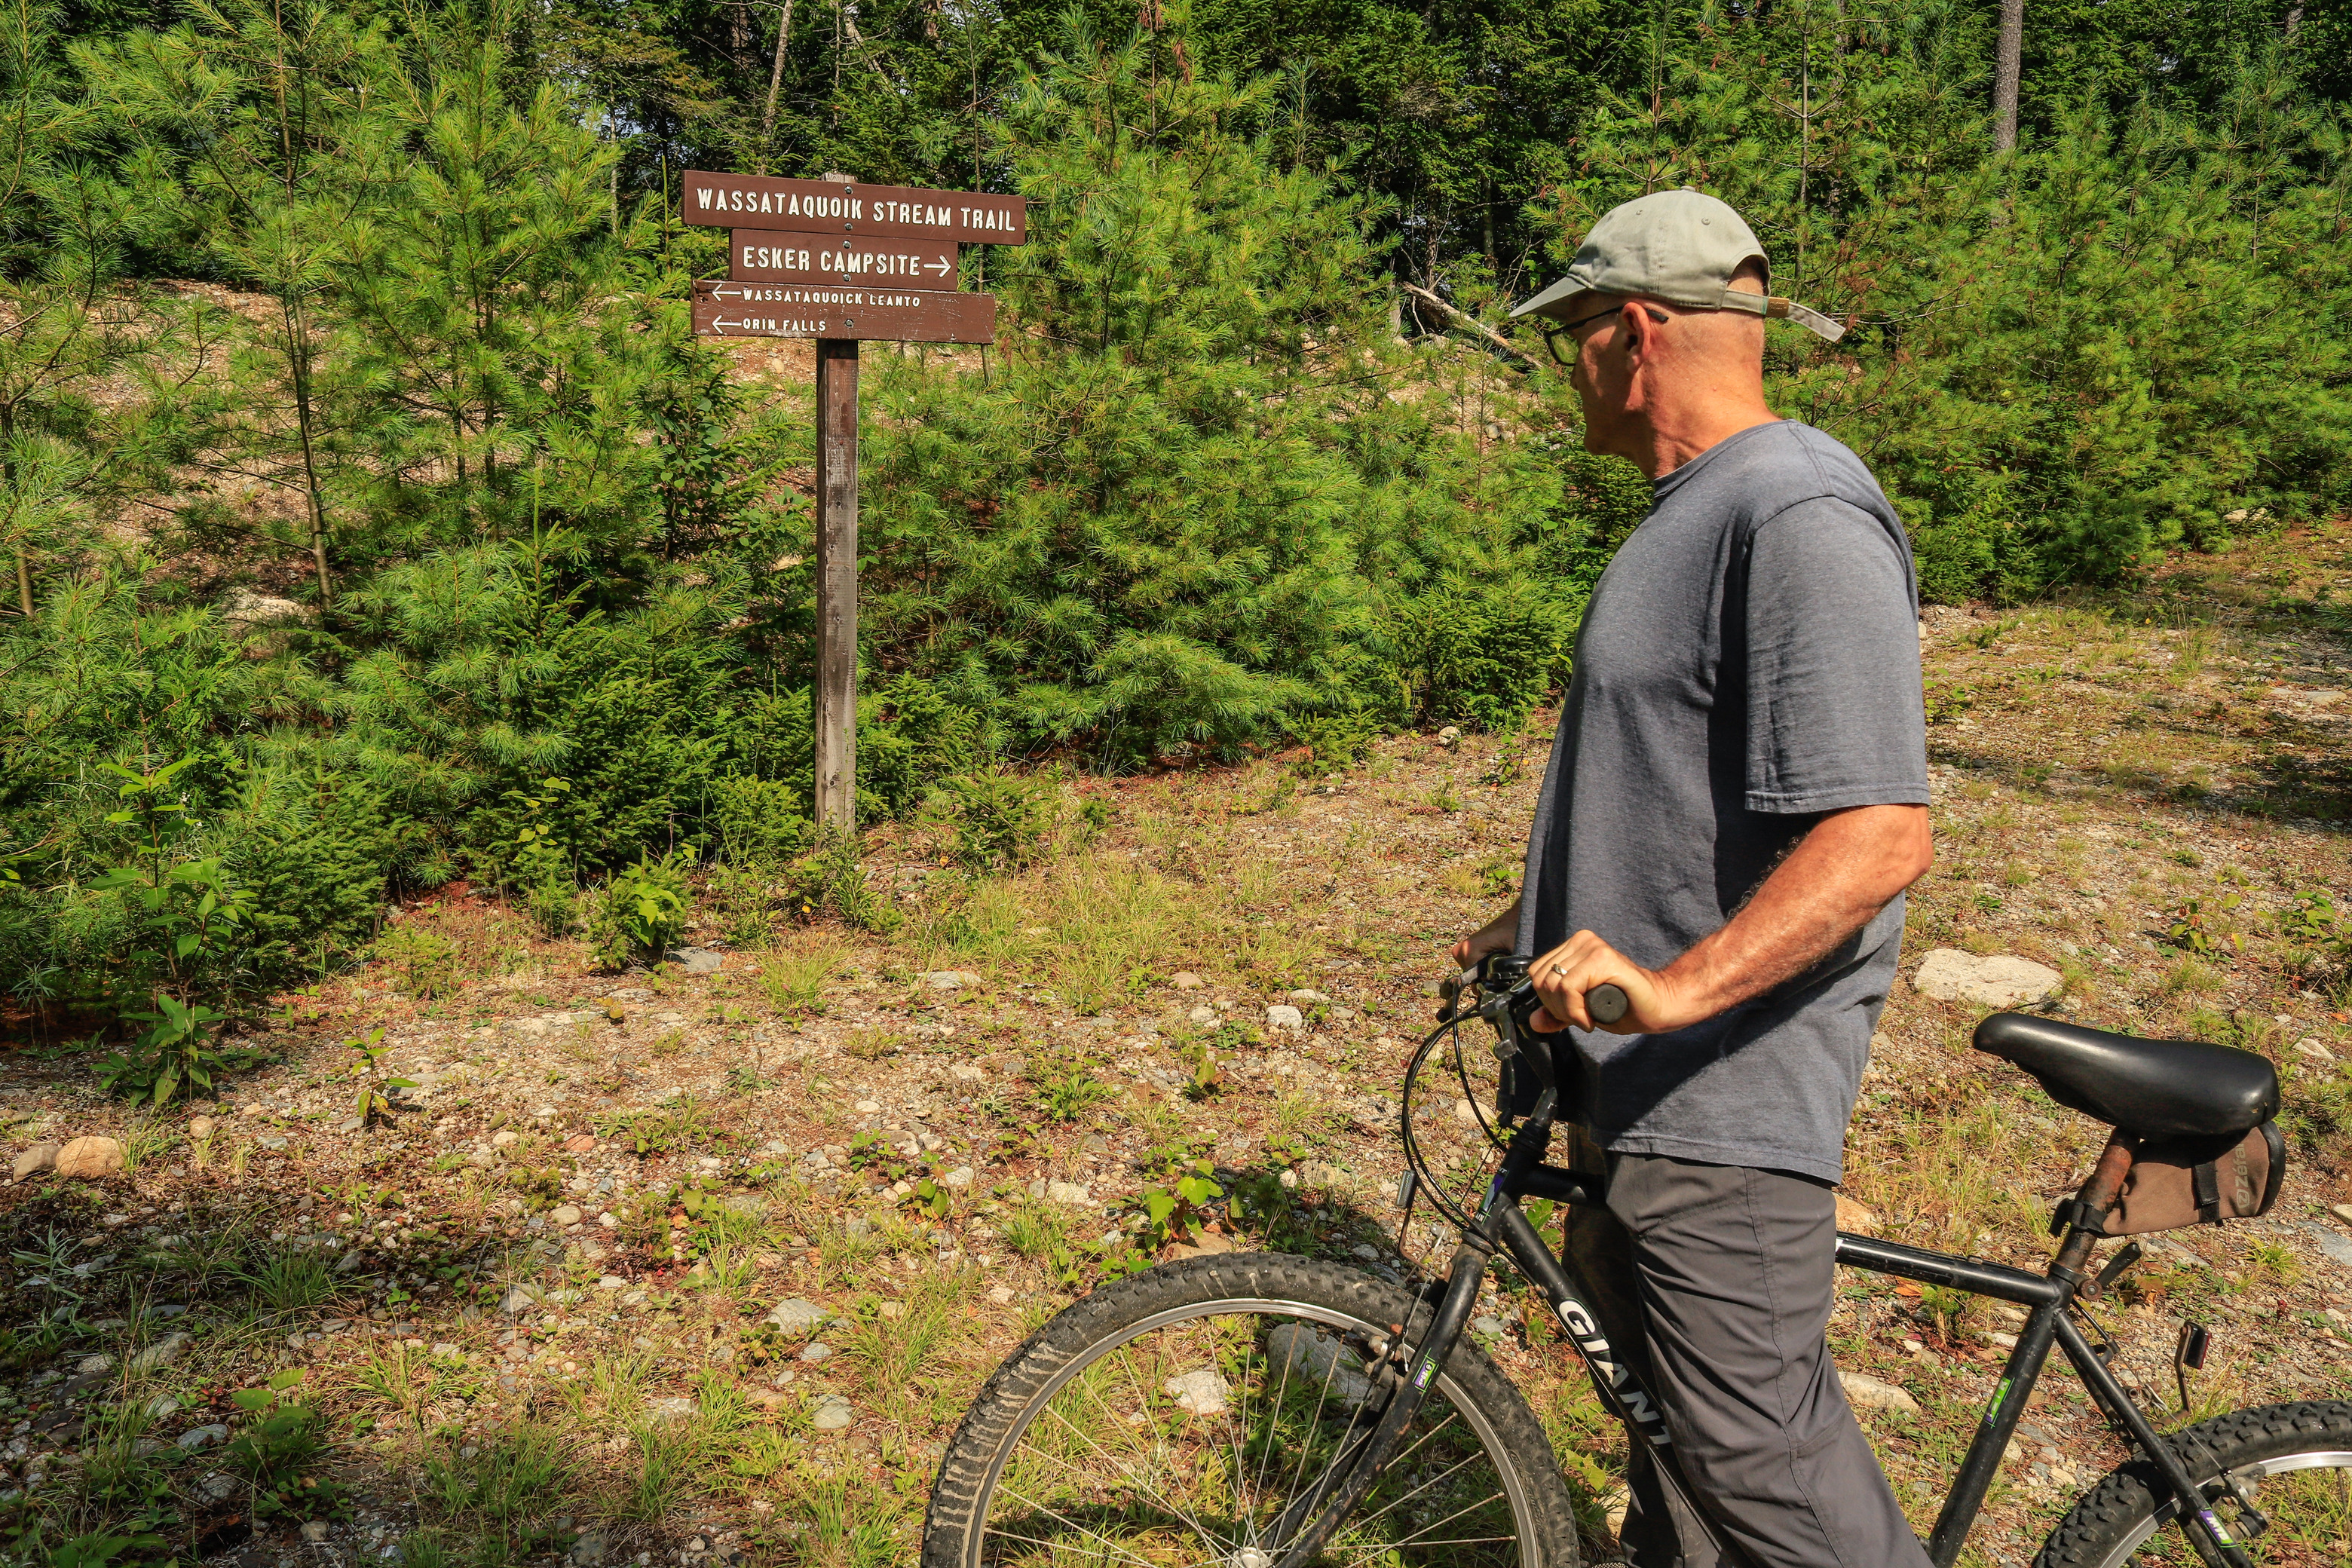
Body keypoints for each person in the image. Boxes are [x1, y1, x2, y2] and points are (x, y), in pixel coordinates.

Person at [1452, 189, 1936, 1568]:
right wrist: (1522, 923)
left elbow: (1877, 835)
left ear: (1640, 331)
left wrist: (1666, 993)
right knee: (1688, 1494)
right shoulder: (1697, 510)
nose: (1571, 371)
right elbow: (1679, 792)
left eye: (1576, 338)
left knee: (1767, 1481)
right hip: (1637, 1097)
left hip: (1722, 1114)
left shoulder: (1795, 510)